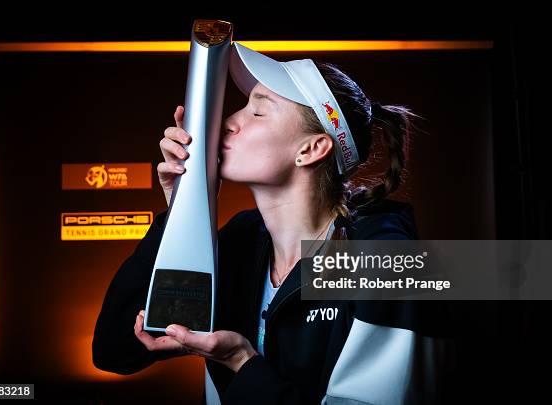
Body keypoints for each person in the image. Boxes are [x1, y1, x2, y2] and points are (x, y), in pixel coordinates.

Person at [92, 43, 454, 404]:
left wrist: (242, 362)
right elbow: (115, 351)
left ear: (311, 149)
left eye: (258, 113)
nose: (229, 121)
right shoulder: (241, 241)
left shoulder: (388, 263)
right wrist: (184, 211)